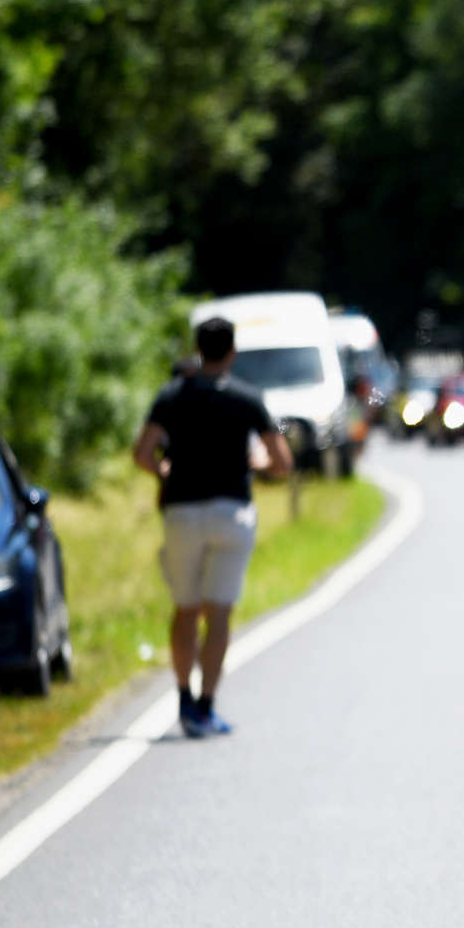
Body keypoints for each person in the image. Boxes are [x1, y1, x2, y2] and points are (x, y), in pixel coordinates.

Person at [131, 316, 293, 737]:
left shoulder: (171, 396)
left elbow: (142, 453)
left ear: (197, 349)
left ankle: (184, 698)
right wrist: (256, 463)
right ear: (232, 352)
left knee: (185, 609)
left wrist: (164, 471)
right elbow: (282, 462)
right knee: (218, 613)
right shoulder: (248, 398)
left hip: (182, 513)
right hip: (231, 513)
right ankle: (206, 706)